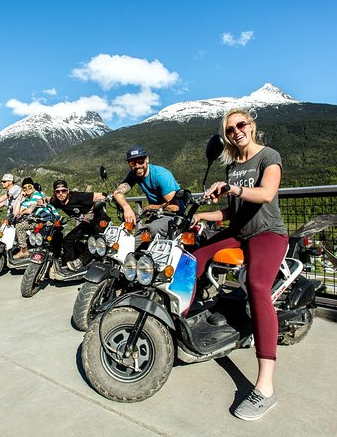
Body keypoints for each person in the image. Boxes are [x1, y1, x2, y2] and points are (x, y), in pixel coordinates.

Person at [191, 107, 288, 421]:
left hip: (267, 233)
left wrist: (232, 188)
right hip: (239, 232)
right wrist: (202, 214)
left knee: (258, 287)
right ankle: (182, 320)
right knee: (194, 258)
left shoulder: (268, 157)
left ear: (251, 125)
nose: (235, 132)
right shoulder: (232, 168)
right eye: (229, 130)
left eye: (240, 125)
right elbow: (232, 214)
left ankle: (266, 387)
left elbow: (267, 193)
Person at [112, 145, 182, 240]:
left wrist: (152, 207)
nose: (137, 166)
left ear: (147, 160)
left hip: (173, 217)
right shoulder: (134, 174)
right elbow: (117, 192)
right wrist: (126, 207)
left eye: (140, 161)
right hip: (156, 215)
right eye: (133, 163)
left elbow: (175, 207)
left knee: (142, 237)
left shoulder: (161, 176)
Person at [49, 179, 106, 271]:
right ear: (54, 193)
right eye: (58, 191)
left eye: (63, 191)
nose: (61, 193)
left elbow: (103, 195)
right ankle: (67, 265)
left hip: (99, 219)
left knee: (94, 239)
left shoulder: (78, 196)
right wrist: (41, 200)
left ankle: (81, 261)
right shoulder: (56, 201)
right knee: (67, 240)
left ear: (68, 191)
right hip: (86, 222)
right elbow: (48, 199)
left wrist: (91, 211)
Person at [12, 177, 55, 259]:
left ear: (33, 186)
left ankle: (26, 251)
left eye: (29, 186)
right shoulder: (27, 200)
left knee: (21, 226)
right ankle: (24, 250)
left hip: (47, 219)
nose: (27, 189)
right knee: (19, 226)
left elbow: (31, 209)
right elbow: (15, 213)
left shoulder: (37, 194)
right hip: (38, 221)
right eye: (24, 188)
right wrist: (20, 197)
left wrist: (22, 212)